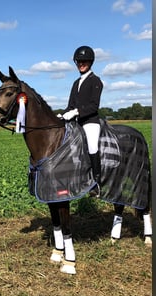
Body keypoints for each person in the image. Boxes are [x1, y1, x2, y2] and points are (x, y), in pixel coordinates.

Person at [60, 45, 103, 197]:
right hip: (77, 123)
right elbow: (70, 106)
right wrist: (61, 115)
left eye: (84, 61)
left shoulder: (95, 81)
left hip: (90, 121)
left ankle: (97, 183)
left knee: (92, 146)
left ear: (90, 62)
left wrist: (76, 112)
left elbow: (93, 106)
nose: (81, 64)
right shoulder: (75, 83)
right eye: (78, 61)